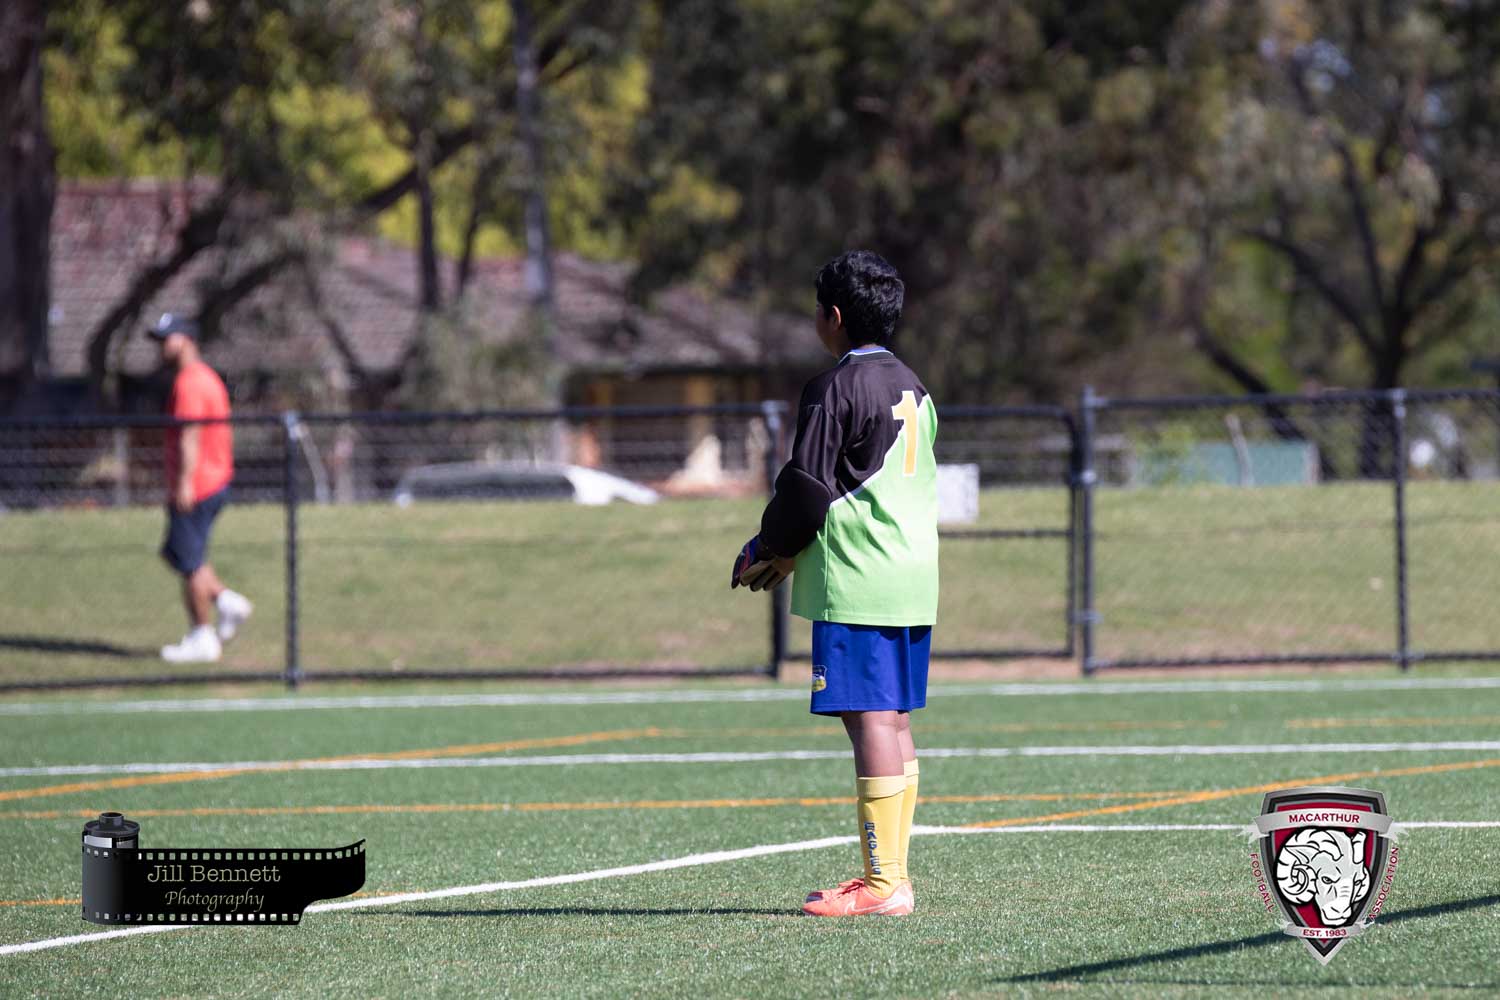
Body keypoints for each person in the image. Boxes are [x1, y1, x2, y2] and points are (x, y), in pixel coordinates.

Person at [732, 251, 938, 917]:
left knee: (869, 718)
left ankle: (882, 886)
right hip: (912, 574)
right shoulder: (915, 386)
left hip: (860, 576)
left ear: (835, 316)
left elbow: (807, 488)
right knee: (893, 718)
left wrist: (769, 546)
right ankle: (894, 878)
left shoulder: (835, 387)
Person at [149, 313, 252, 663]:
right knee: (180, 554)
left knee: (189, 562)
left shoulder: (190, 382)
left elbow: (190, 436)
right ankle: (226, 601)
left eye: (167, 338)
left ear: (186, 339)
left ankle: (202, 637)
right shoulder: (206, 377)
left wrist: (184, 484)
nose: (162, 346)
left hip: (199, 485)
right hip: (213, 480)